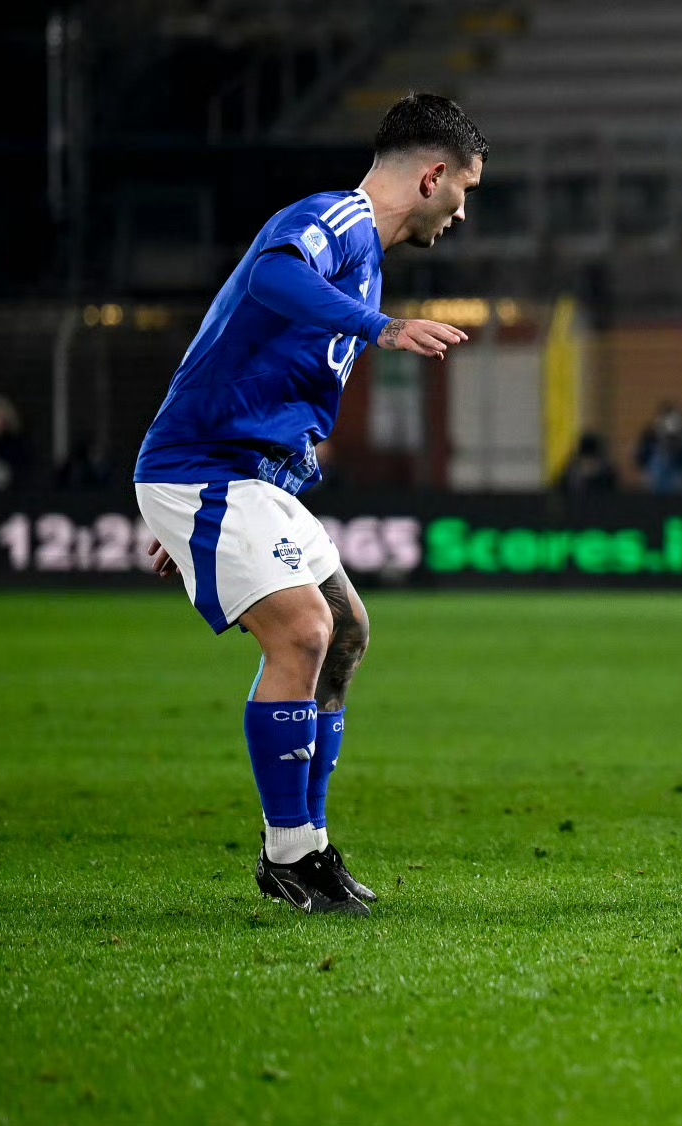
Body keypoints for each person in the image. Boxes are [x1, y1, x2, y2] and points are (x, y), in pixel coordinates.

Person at [134, 92, 487, 916]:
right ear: (432, 176)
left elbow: (274, 389)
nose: (463, 213)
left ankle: (311, 847)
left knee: (347, 633)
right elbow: (272, 273)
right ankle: (289, 856)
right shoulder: (339, 220)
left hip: (250, 478)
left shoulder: (365, 261)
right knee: (304, 631)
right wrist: (381, 328)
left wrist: (201, 535)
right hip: (207, 466)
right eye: (465, 191)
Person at [634, 402, 682, 492]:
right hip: (653, 489)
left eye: (673, 438)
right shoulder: (650, 442)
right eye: (668, 437)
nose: (670, 442)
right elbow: (638, 460)